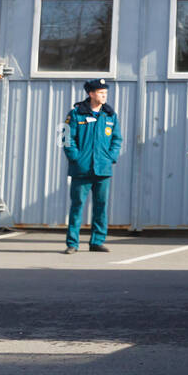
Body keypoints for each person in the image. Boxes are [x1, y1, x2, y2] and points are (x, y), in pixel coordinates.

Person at [62, 78, 123, 253]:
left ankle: (97, 241)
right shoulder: (76, 114)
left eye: (105, 93)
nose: (104, 96)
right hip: (82, 169)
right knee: (77, 205)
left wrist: (111, 157)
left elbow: (117, 139)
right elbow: (66, 139)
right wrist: (76, 158)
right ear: (91, 94)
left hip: (103, 169)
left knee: (101, 206)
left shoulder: (110, 115)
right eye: (101, 93)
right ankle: (72, 244)